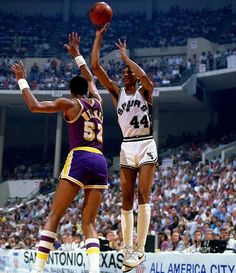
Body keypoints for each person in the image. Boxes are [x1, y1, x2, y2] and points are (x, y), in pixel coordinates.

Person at [12, 32, 108, 273]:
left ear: (70, 90)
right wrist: (77, 56)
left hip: (81, 157)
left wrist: (22, 81)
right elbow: (91, 79)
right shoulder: (97, 100)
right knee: (89, 221)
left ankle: (37, 269)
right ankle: (94, 271)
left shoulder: (70, 103)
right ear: (86, 89)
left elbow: (34, 106)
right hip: (101, 161)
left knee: (55, 214)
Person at [91, 24, 157, 272]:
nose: (124, 73)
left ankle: (140, 249)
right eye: (123, 71)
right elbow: (96, 68)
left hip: (146, 143)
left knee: (143, 195)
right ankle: (128, 249)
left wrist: (126, 57)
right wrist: (98, 37)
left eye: (127, 71)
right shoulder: (118, 94)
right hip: (127, 146)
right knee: (126, 200)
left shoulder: (145, 91)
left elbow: (146, 78)